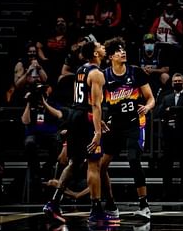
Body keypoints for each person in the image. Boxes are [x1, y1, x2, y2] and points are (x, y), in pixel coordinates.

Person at [43, 40, 108, 224]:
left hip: (75, 115)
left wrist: (96, 119)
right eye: (100, 46)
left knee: (74, 162)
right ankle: (96, 210)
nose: (103, 48)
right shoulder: (97, 73)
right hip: (85, 118)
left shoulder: (81, 69)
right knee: (93, 164)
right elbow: (95, 105)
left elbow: (83, 101)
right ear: (96, 54)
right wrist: (97, 131)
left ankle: (53, 203)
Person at [100, 36, 155, 220]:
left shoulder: (136, 72)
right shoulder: (104, 76)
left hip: (134, 122)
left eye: (123, 49)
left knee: (133, 160)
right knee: (101, 166)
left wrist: (147, 107)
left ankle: (144, 205)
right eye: (117, 50)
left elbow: (151, 98)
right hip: (114, 124)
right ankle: (110, 203)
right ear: (110, 57)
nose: (122, 52)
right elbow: (96, 103)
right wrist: (100, 120)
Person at [156, 72, 183, 200]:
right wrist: (177, 109)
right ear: (172, 83)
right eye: (175, 81)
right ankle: (167, 193)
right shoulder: (167, 97)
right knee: (167, 166)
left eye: (180, 81)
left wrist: (172, 110)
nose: (177, 83)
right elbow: (160, 112)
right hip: (169, 136)